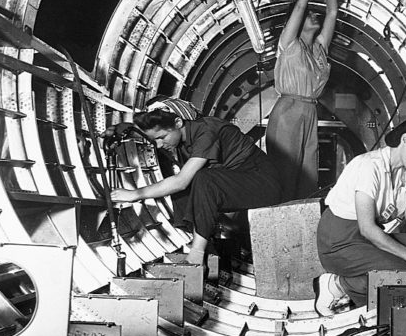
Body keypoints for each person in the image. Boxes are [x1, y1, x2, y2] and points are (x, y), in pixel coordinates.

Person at [110, 97, 282, 265]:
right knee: (190, 182)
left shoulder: (207, 132)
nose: (159, 145)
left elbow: (180, 182)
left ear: (178, 123)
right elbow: (151, 131)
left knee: (201, 179)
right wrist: (121, 129)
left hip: (263, 184)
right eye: (155, 140)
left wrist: (134, 194)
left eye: (162, 137)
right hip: (236, 181)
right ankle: (210, 245)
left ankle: (197, 254)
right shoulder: (182, 131)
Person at [313, 114, 406, 315]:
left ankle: (358, 285)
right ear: (404, 140)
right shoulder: (370, 166)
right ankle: (337, 286)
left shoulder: (405, 173)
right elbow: (368, 229)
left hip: (365, 238)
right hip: (338, 241)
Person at [265, 0, 338, 200]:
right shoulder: (289, 44)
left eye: (316, 14)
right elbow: (298, 7)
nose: (316, 16)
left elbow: (332, 12)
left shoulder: (319, 49)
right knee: (284, 173)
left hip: (310, 111)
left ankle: (303, 225)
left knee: (308, 175)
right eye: (310, 14)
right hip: (288, 110)